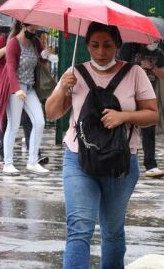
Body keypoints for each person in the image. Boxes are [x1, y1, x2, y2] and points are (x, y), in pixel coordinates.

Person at [46, 23, 159, 269]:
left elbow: (152, 115)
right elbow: (52, 113)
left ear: (118, 45)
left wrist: (124, 117)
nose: (100, 52)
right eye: (95, 45)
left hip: (120, 162)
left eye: (107, 45)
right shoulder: (74, 73)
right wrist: (63, 87)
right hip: (78, 159)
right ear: (87, 45)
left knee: (112, 230)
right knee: (79, 227)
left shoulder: (135, 74)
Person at [0, 21, 49, 175]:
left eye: (36, 29)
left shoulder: (35, 41)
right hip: (16, 87)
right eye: (31, 29)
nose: (34, 32)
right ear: (23, 26)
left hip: (30, 87)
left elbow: (42, 60)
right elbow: (11, 68)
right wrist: (16, 90)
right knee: (13, 125)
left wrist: (46, 54)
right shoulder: (13, 43)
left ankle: (33, 161)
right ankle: (8, 163)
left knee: (39, 122)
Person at [117, 39, 164, 178]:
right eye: (153, 39)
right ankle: (122, 161)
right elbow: (119, 67)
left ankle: (151, 165)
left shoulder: (158, 53)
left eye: (157, 40)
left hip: (147, 95)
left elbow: (162, 74)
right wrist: (138, 66)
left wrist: (153, 67)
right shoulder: (130, 47)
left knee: (149, 130)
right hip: (128, 93)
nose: (154, 42)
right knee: (125, 129)